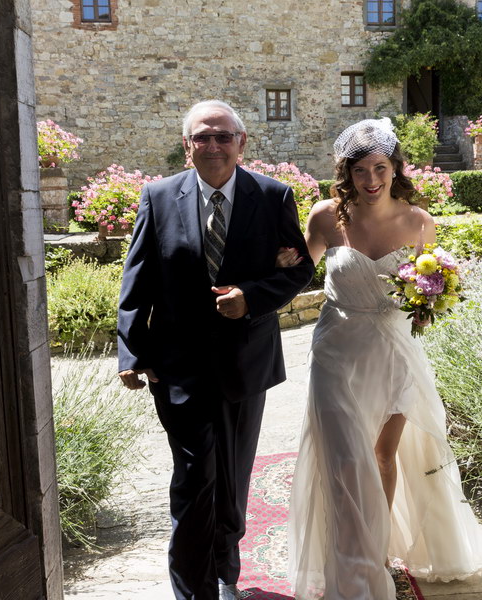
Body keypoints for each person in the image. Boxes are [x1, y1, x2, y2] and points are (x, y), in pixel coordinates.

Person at [279, 118, 482, 599]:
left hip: (393, 349)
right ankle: (354, 567)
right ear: (346, 173)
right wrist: (272, 269)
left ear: (396, 168)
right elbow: (294, 276)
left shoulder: (418, 222)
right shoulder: (326, 217)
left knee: (381, 455)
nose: (371, 180)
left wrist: (429, 302)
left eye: (380, 168)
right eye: (359, 171)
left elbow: (432, 289)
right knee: (343, 457)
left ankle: (376, 552)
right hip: (336, 349)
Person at [117, 99, 314, 600]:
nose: (212, 145)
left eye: (222, 136)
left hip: (246, 365)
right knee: (194, 476)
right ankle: (194, 590)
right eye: (201, 137)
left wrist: (251, 297)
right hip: (177, 367)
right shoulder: (157, 197)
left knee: (232, 476)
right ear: (187, 147)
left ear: (241, 143)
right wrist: (131, 352)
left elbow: (297, 271)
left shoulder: (273, 197)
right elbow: (137, 279)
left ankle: (227, 570)